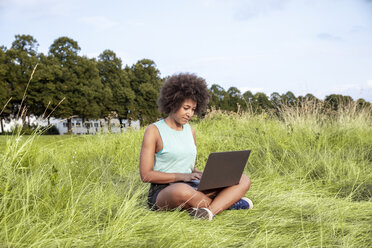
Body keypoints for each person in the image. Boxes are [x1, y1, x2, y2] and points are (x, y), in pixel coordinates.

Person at [139, 73, 253, 220]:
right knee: (182, 191)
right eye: (186, 108)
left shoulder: (190, 130)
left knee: (243, 179)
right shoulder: (153, 131)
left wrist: (204, 174)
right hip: (164, 189)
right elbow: (146, 175)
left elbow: (189, 168)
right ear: (173, 102)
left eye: (193, 109)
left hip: (192, 184)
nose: (190, 114)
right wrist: (183, 177)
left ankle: (209, 211)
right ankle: (228, 203)